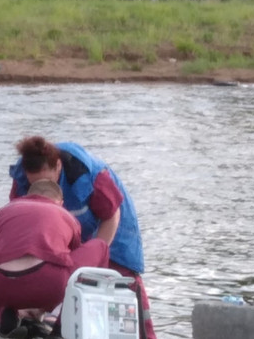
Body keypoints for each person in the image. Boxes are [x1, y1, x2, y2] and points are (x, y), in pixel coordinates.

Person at [9, 136, 156, 339]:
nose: (42, 190)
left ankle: (145, 334)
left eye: (48, 182)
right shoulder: (21, 178)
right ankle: (61, 327)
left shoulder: (86, 173)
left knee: (123, 282)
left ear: (58, 166)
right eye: (36, 184)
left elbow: (112, 216)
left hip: (113, 224)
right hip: (67, 225)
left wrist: (94, 258)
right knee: (63, 275)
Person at [0, 180, 109, 337]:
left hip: (1, 287)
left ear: (28, 197)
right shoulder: (66, 216)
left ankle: (6, 316)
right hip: (48, 285)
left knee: (2, 261)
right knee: (100, 246)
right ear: (60, 203)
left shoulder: (3, 212)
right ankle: (59, 329)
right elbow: (75, 271)